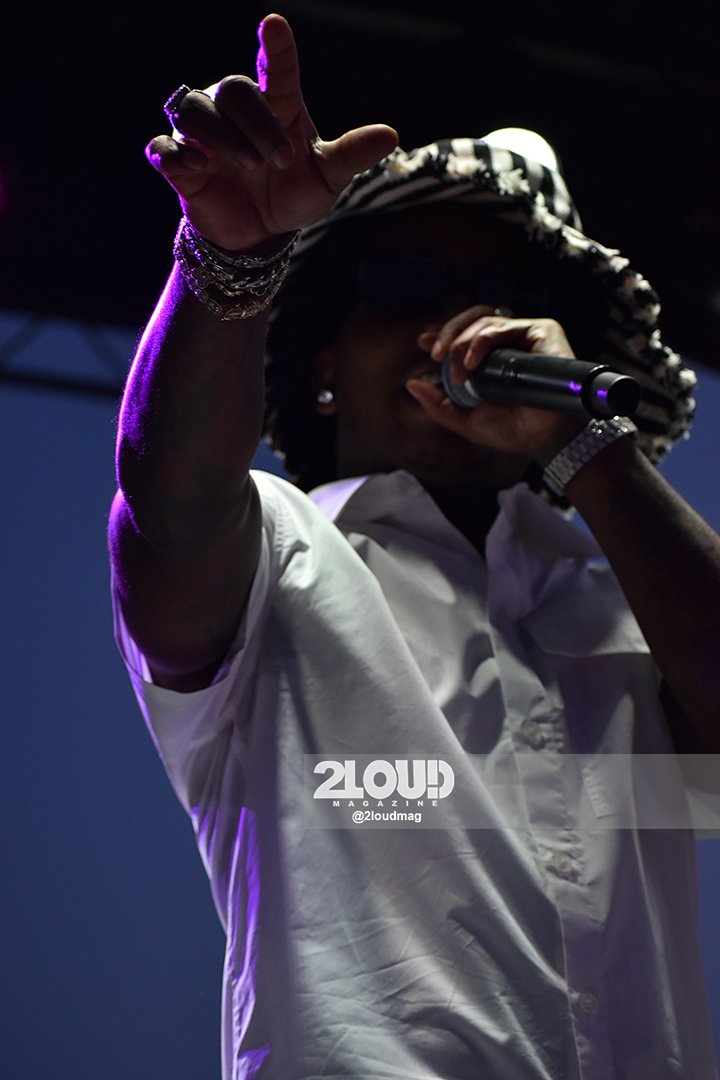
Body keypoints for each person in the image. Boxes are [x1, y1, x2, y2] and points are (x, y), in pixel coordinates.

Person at [109, 12, 720, 1080]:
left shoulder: (620, 603)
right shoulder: (280, 559)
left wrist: (588, 445)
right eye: (405, 289)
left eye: (509, 300)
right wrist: (230, 262)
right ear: (324, 363)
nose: (458, 328)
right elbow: (170, 507)